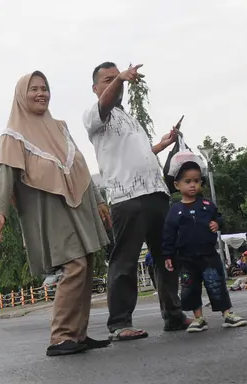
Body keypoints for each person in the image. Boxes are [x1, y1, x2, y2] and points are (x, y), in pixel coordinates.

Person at [0, 71, 112, 356]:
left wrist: (98, 200)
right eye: (34, 89)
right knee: (74, 265)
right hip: (49, 211)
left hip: (79, 205)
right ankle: (60, 336)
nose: (41, 93)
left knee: (87, 261)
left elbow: (80, 166)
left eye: (44, 88)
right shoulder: (13, 135)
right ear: (22, 94)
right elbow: (5, 173)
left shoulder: (60, 127)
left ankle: (78, 334)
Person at [83, 63, 187, 340]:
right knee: (124, 261)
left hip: (156, 193)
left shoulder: (129, 118)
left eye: (116, 78)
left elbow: (137, 153)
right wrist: (120, 77)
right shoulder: (95, 115)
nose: (115, 83)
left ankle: (174, 315)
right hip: (126, 198)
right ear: (95, 88)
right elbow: (106, 101)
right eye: (107, 79)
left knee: (166, 258)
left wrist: (161, 145)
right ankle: (119, 323)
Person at [161, 161, 247, 332]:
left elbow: (220, 218)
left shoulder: (207, 205)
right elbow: (168, 235)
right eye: (187, 181)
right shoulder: (175, 210)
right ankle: (198, 318)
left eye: (196, 181)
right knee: (190, 288)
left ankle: (227, 314)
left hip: (209, 255)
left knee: (216, 284)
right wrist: (168, 255)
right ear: (177, 185)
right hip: (186, 258)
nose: (193, 185)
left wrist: (217, 223)